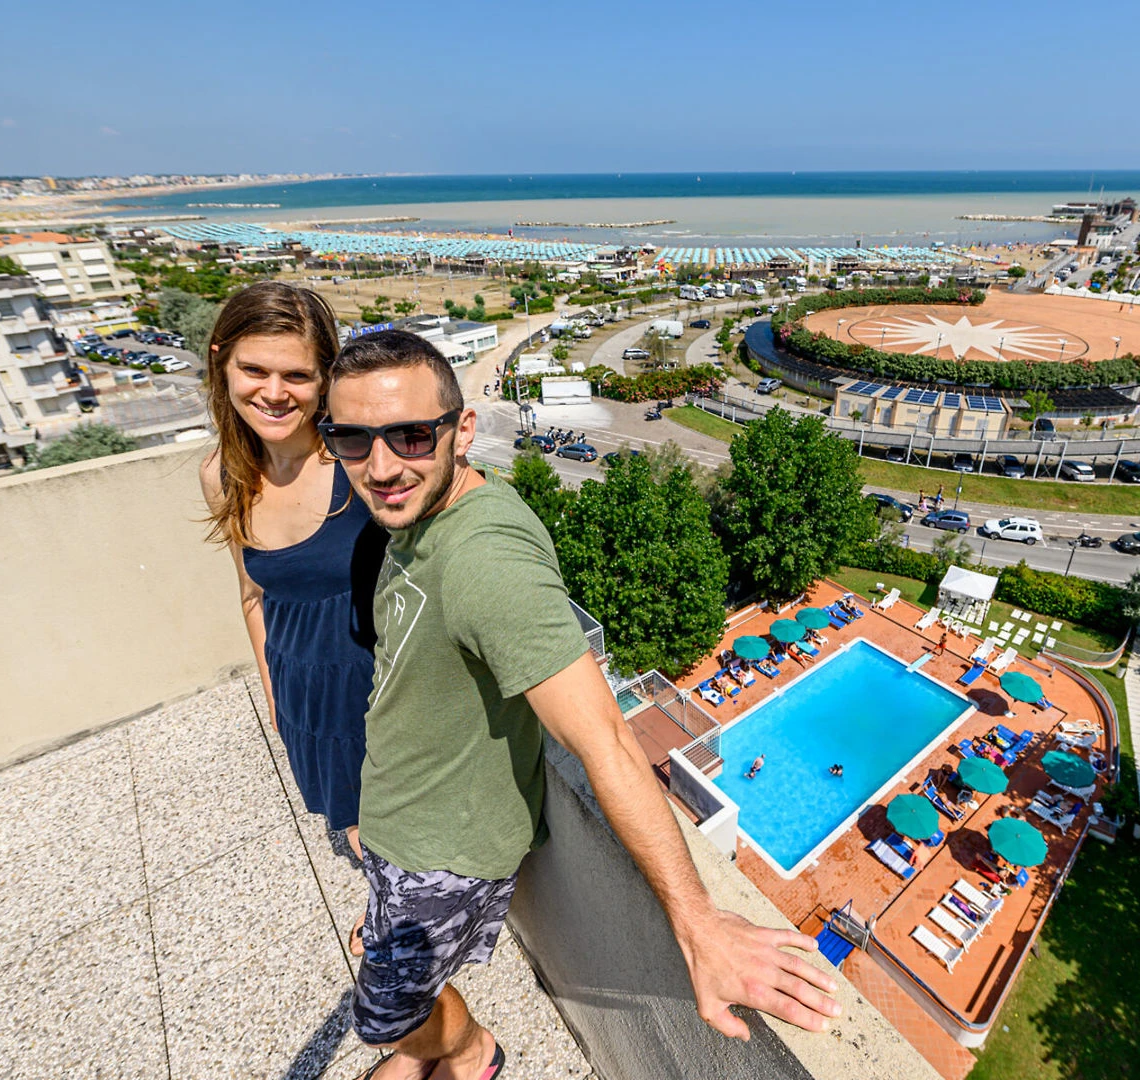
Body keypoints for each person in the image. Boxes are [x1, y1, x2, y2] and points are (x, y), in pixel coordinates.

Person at [321, 331, 838, 1079]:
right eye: (351, 439)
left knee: (383, 1018)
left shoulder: (486, 561)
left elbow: (607, 743)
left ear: (462, 430)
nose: (381, 466)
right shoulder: (420, 507)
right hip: (400, 817)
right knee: (384, 965)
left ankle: (469, 1053)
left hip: (442, 850)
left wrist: (697, 924)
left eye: (411, 435)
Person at [199, 282, 389, 959]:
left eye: (297, 375)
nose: (274, 393)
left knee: (402, 824)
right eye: (254, 369)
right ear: (222, 362)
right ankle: (388, 902)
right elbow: (253, 594)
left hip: (384, 689)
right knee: (358, 825)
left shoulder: (361, 461)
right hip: (304, 689)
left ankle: (404, 921)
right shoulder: (223, 475)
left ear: (325, 378)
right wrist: (274, 690)